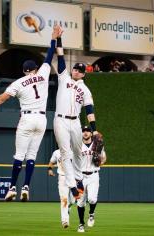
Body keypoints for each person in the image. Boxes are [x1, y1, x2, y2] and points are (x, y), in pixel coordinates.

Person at [0, 25, 59, 201]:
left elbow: (1, 98)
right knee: (31, 156)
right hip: (42, 119)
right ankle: (26, 187)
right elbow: (49, 57)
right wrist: (54, 38)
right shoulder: (43, 74)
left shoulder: (18, 83)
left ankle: (12, 188)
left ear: (24, 71)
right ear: (34, 69)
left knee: (19, 155)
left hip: (26, 118)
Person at [54, 27, 100, 201]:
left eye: (79, 71)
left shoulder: (86, 90)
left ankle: (79, 180)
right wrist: (59, 39)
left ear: (83, 74)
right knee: (65, 153)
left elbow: (90, 111)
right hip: (60, 120)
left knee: (79, 152)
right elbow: (60, 56)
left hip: (75, 123)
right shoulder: (64, 77)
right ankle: (73, 186)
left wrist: (94, 130)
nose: (75, 72)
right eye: (75, 69)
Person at [76, 126, 106, 233]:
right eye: (83, 131)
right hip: (81, 176)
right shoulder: (77, 145)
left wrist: (99, 161)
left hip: (94, 175)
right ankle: (81, 224)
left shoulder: (97, 145)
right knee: (80, 202)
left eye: (88, 131)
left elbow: (104, 159)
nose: (85, 133)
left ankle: (91, 214)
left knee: (92, 199)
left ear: (91, 133)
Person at [47, 149, 76, 229]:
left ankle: (69, 207)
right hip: (62, 177)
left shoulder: (74, 151)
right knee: (64, 199)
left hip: (74, 178)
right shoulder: (56, 152)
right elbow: (52, 162)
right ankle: (65, 221)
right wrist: (49, 169)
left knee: (73, 200)